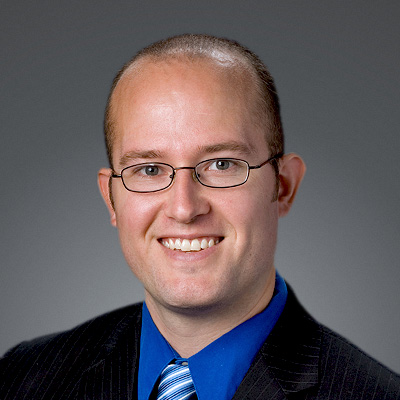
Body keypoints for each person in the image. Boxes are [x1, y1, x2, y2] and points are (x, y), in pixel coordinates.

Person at [1, 34, 399, 400]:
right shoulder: (21, 379)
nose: (184, 209)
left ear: (283, 186)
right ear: (111, 199)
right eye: (150, 170)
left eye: (222, 164)